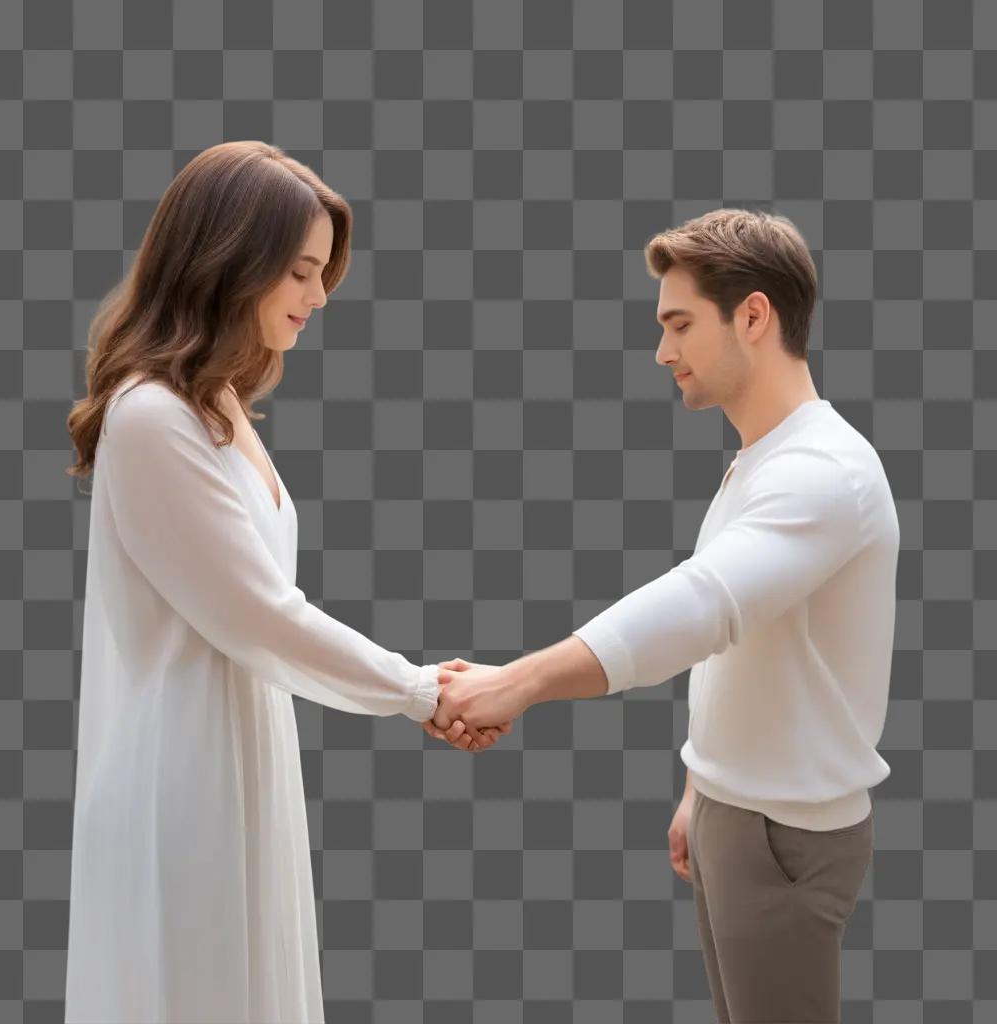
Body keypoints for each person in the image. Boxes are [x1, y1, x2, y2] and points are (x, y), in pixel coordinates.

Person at [63, 141, 508, 1024]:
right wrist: (421, 690)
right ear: (233, 260)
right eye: (302, 271)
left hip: (237, 757)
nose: (319, 296)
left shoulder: (216, 404)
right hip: (182, 778)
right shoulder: (152, 416)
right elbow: (260, 614)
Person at [427, 208, 899, 1023]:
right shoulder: (766, 462)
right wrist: (701, 787)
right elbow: (745, 633)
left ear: (753, 316)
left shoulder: (827, 473)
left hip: (783, 837)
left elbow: (701, 607)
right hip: (737, 815)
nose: (663, 351)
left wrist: (520, 682)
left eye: (679, 324)